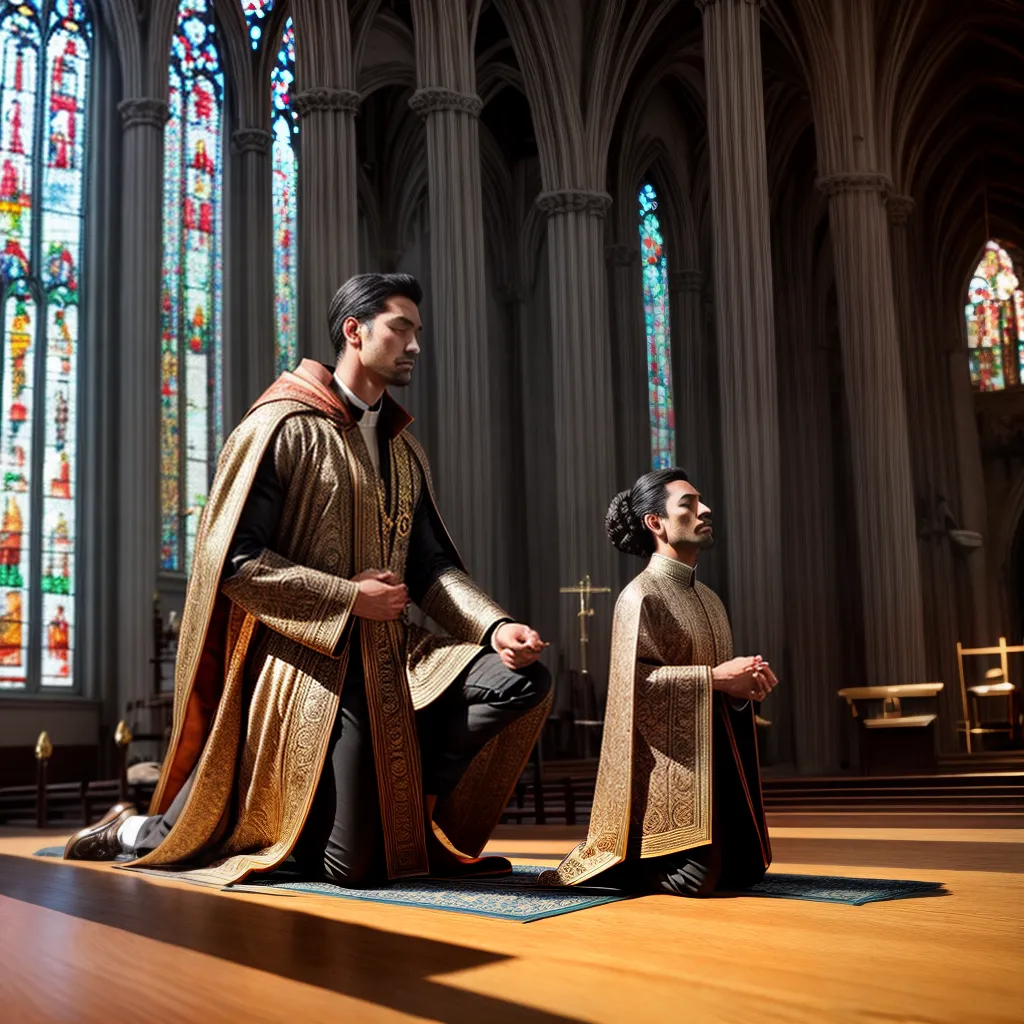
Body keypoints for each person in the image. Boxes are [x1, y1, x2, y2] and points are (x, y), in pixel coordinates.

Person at [64, 273, 552, 886]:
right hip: (309, 661)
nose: (415, 346)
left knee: (519, 679)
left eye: (417, 333)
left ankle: (404, 809)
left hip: (396, 658)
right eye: (401, 329)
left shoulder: (405, 452)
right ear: (354, 331)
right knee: (351, 868)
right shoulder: (281, 425)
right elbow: (234, 561)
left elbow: (430, 568)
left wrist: (497, 626)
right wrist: (348, 597)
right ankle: (131, 830)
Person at [542, 468, 776, 896]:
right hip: (668, 767)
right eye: (688, 504)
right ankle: (620, 863)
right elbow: (635, 685)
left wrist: (745, 687)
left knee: (747, 868)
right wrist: (715, 679)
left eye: (701, 502)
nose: (705, 510)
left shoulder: (710, 599)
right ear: (656, 523)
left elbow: (722, 686)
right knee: (696, 881)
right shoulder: (640, 596)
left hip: (714, 760)